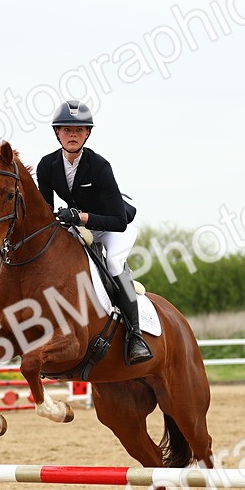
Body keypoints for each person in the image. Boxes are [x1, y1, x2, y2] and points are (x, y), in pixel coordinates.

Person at [36, 100, 152, 365]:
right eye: (67, 129)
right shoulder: (47, 166)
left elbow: (118, 221)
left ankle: (135, 337)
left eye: (79, 129)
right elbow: (46, 212)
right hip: (80, 228)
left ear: (88, 133)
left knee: (112, 263)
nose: (73, 134)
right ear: (57, 133)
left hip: (112, 227)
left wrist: (80, 216)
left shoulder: (100, 166)